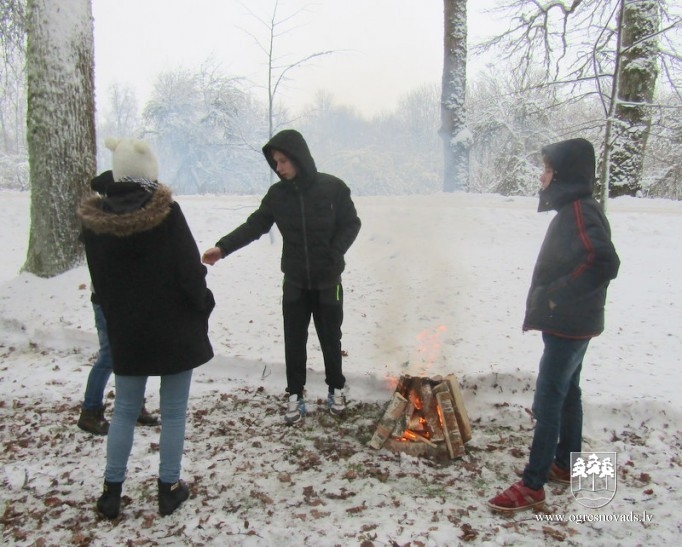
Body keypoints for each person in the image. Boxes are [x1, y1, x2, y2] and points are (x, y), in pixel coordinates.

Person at [79, 138, 215, 519]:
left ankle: (111, 494)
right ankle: (168, 489)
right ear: (149, 175)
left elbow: (100, 282)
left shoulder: (95, 224)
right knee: (173, 411)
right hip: (174, 326)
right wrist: (203, 303)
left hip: (128, 328)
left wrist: (118, 316)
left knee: (123, 409)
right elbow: (190, 272)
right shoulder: (168, 213)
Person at [487, 138, 620, 513]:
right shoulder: (576, 209)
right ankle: (566, 463)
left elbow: (603, 262)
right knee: (568, 393)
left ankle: (533, 485)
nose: (541, 176)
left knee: (548, 401)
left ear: (564, 175)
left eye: (547, 169)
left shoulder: (580, 211)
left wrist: (554, 296)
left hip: (569, 324)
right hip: (575, 324)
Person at [202, 129, 361, 425]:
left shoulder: (333, 188)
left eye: (284, 160)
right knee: (294, 339)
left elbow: (352, 223)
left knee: (330, 337)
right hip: (295, 282)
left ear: (299, 157)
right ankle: (295, 394)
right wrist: (223, 248)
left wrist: (334, 252)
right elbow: (255, 225)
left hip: (329, 282)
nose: (280, 167)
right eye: (275, 162)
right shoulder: (277, 196)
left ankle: (336, 388)